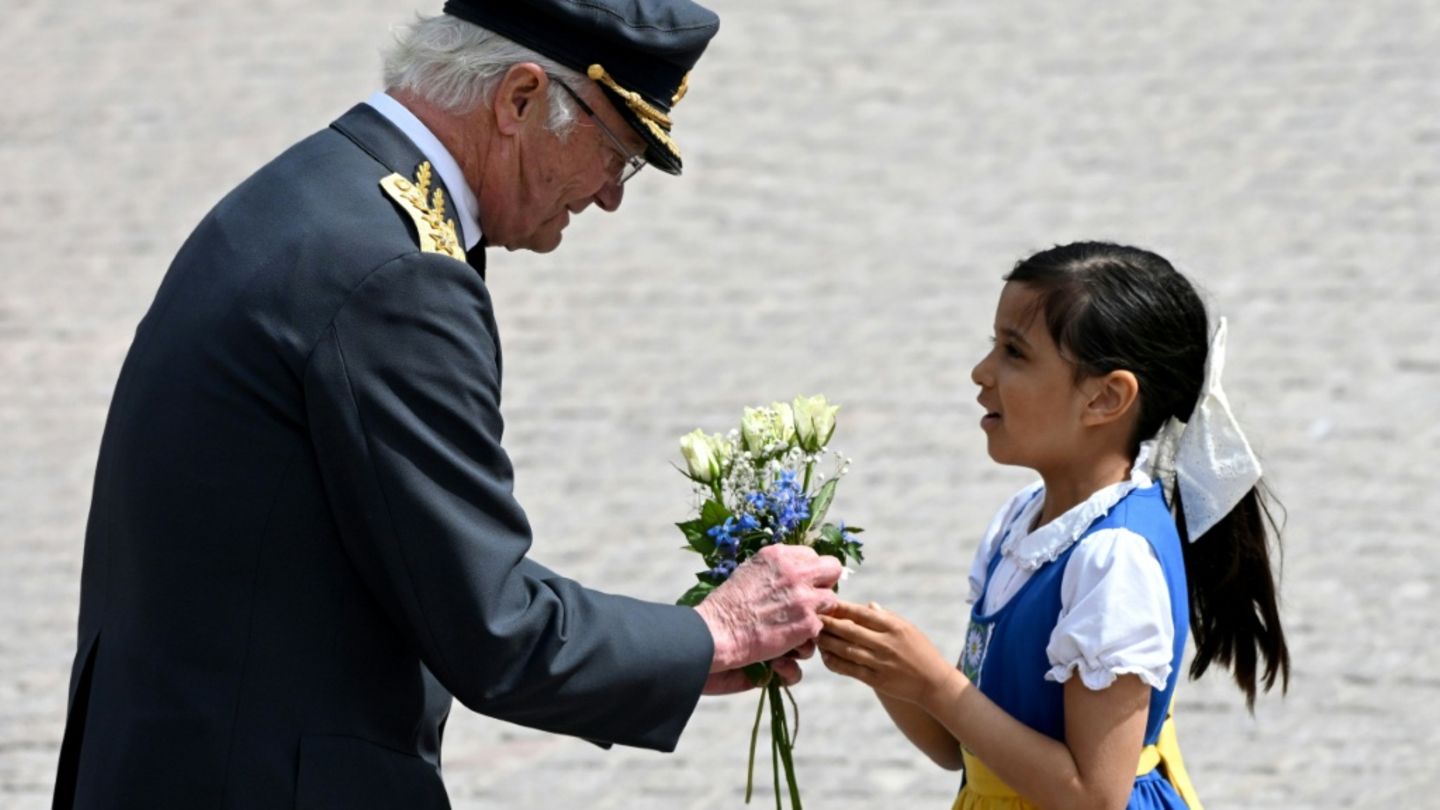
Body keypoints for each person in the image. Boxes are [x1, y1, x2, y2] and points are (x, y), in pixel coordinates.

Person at [50, 2, 843, 808]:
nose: (610, 194)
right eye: (615, 151)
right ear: (519, 98)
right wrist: (713, 633)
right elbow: (493, 629)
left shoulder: (322, 187)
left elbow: (402, 557)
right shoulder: (396, 274)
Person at [817, 242, 1291, 809]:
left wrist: (936, 684)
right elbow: (958, 745)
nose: (981, 372)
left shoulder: (1114, 557)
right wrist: (877, 662)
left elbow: (1096, 797)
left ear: (1106, 397)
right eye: (993, 345)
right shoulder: (1023, 523)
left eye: (1014, 353)